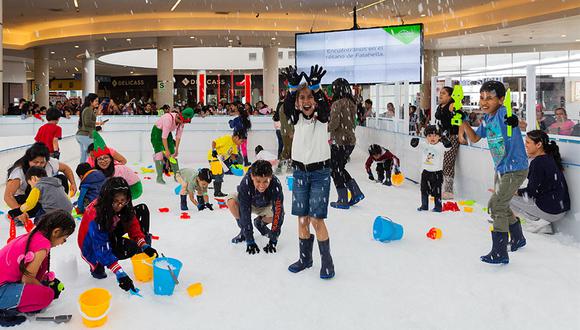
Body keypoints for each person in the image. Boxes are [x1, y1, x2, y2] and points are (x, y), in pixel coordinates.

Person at [461, 81, 528, 265]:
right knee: (498, 204)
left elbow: (517, 122)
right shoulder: (487, 120)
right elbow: (474, 138)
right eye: (482, 98)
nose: (484, 102)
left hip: (515, 168)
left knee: (497, 206)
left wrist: (515, 122)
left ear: (501, 99)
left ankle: (499, 251)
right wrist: (463, 121)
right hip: (501, 169)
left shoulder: (502, 114)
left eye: (489, 98)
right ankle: (518, 237)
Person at [283, 65, 335, 279]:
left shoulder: (322, 118)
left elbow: (324, 109)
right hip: (300, 174)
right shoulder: (296, 118)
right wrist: (293, 88)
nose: (306, 101)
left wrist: (317, 88)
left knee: (316, 219)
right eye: (302, 98)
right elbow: (287, 108)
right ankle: (305, 258)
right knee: (302, 218)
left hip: (320, 173)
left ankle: (327, 262)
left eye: (310, 98)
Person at [78, 177, 156, 291]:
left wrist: (143, 245)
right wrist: (120, 273)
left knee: (141, 209)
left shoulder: (125, 204)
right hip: (92, 245)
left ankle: (140, 251)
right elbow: (101, 247)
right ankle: (97, 266)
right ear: (107, 199)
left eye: (123, 201)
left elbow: (133, 223)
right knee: (99, 272)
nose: (120, 205)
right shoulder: (96, 215)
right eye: (115, 201)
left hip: (110, 228)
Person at [0, 210, 75, 327]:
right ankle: (5, 312)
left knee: (46, 287)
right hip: (2, 290)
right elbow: (27, 279)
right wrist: (43, 289)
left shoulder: (35, 235)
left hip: (5, 283)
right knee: (47, 295)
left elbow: (30, 272)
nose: (63, 242)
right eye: (64, 238)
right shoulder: (43, 245)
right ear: (56, 232)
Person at [510, 130, 570, 235]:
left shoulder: (538, 162)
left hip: (551, 210)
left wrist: (510, 191)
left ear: (538, 144)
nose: (525, 145)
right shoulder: (549, 157)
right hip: (560, 208)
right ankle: (543, 224)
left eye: (528, 143)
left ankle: (537, 222)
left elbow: (530, 193)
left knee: (504, 197)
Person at [4, 143, 76, 225]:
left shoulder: (50, 163)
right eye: (35, 162)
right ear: (28, 160)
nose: (39, 165)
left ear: (46, 160)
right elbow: (8, 195)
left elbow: (66, 168)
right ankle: (26, 215)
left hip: (46, 199)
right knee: (22, 201)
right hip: (29, 199)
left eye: (42, 162)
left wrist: (73, 183)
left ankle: (56, 207)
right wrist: (19, 212)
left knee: (61, 178)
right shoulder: (18, 172)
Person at [226, 160, 284, 253]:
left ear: (270, 177)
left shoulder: (275, 183)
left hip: (266, 205)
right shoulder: (245, 183)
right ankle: (243, 232)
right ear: (252, 176)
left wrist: (273, 240)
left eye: (265, 181)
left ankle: (259, 222)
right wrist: (249, 239)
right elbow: (245, 211)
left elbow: (278, 212)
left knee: (279, 215)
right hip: (249, 204)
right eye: (258, 181)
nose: (261, 185)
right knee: (231, 202)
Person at [328, 78, 364, 209]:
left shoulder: (337, 104)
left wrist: (321, 128)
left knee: (335, 170)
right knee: (340, 168)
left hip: (340, 141)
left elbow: (334, 124)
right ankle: (355, 192)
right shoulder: (351, 103)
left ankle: (343, 199)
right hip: (350, 141)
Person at [8, 167, 73, 222]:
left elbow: (30, 204)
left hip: (54, 213)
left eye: (30, 184)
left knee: (37, 219)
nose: (31, 187)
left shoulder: (38, 187)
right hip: (68, 211)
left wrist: (18, 211)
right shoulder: (56, 182)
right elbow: (66, 197)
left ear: (33, 178)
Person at [434, 86, 466, 200]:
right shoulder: (440, 106)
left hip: (452, 137)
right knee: (439, 162)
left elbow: (461, 119)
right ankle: (440, 186)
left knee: (447, 164)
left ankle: (449, 191)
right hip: (443, 138)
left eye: (444, 93)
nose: (440, 95)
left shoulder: (452, 105)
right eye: (440, 93)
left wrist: (461, 135)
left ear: (450, 96)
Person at [410, 125, 451, 212]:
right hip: (425, 172)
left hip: (437, 172)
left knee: (437, 191)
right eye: (429, 136)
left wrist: (446, 141)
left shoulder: (441, 145)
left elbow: (448, 147)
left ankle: (438, 206)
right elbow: (415, 145)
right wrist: (414, 142)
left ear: (439, 137)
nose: (432, 138)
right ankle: (424, 205)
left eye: (435, 135)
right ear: (426, 137)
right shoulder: (424, 144)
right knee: (424, 190)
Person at [92, 131, 143, 200]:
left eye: (106, 158)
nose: (103, 161)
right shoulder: (99, 171)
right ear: (96, 162)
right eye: (100, 159)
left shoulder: (117, 170)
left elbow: (119, 188)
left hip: (133, 187)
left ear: (111, 159)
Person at [150, 107, 194, 184]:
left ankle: (177, 176)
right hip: (157, 132)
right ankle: (159, 177)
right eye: (182, 121)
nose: (182, 124)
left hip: (167, 133)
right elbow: (164, 137)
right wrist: (166, 151)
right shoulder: (168, 119)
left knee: (173, 154)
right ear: (179, 116)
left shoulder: (181, 123)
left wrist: (176, 150)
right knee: (159, 154)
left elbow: (178, 137)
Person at [208, 129, 247, 197]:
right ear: (236, 137)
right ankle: (217, 192)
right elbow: (214, 142)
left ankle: (209, 175)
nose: (242, 143)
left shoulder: (234, 145)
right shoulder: (226, 139)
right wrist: (214, 150)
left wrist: (235, 162)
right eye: (241, 141)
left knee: (221, 173)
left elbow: (233, 155)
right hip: (214, 157)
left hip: (222, 159)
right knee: (219, 173)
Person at [76, 93, 106, 163]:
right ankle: (88, 168)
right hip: (86, 135)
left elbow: (88, 121)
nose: (97, 103)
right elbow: (87, 122)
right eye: (95, 101)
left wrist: (98, 112)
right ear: (90, 101)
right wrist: (98, 124)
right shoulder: (88, 110)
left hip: (82, 135)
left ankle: (83, 169)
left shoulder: (87, 109)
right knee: (92, 153)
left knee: (84, 154)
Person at [274, 91, 294, 174]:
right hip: (287, 132)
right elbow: (284, 121)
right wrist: (290, 131)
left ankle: (288, 166)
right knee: (287, 150)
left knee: (289, 149)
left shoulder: (287, 106)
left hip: (287, 131)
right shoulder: (284, 107)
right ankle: (281, 167)